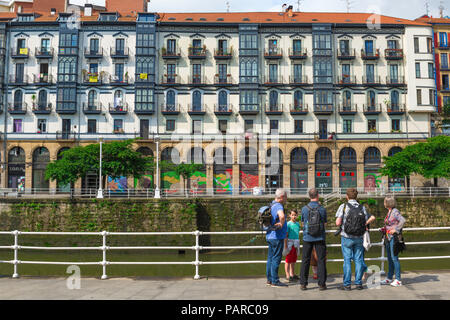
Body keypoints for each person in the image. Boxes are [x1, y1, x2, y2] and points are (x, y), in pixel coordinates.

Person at [335, 188, 375, 290]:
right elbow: (366, 220)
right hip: (359, 237)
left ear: (347, 196)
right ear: (356, 197)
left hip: (346, 237)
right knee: (358, 260)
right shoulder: (362, 208)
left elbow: (338, 223)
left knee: (347, 260)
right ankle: (358, 283)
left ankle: (347, 284)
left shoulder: (343, 206)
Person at [299, 188, 328, 291]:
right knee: (321, 260)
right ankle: (321, 284)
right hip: (320, 237)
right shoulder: (322, 208)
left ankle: (303, 283)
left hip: (307, 237)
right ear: (318, 195)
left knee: (305, 260)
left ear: (309, 196)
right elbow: (325, 224)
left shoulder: (304, 209)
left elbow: (302, 223)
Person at [380, 196, 406, 287]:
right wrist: (384, 229)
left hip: (393, 238)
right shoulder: (389, 211)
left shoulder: (395, 211)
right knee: (390, 258)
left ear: (388, 203)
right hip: (388, 237)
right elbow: (390, 223)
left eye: (384, 202)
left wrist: (396, 230)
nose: (383, 203)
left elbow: (402, 220)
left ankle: (398, 280)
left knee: (395, 258)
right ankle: (389, 277)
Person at [266, 188, 288, 288]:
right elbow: (282, 216)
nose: (287, 198)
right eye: (286, 196)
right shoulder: (279, 206)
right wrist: (282, 224)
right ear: (282, 197)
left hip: (269, 235)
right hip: (277, 236)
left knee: (270, 258)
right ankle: (275, 281)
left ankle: (269, 280)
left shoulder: (271, 204)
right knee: (276, 259)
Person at [284, 209, 300, 282]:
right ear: (290, 215)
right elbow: (286, 235)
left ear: (297, 215)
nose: (294, 216)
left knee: (293, 260)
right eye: (292, 215)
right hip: (290, 243)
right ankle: (287, 275)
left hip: (296, 243)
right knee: (288, 260)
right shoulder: (288, 224)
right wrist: (285, 245)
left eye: (295, 215)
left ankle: (292, 274)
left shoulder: (298, 224)